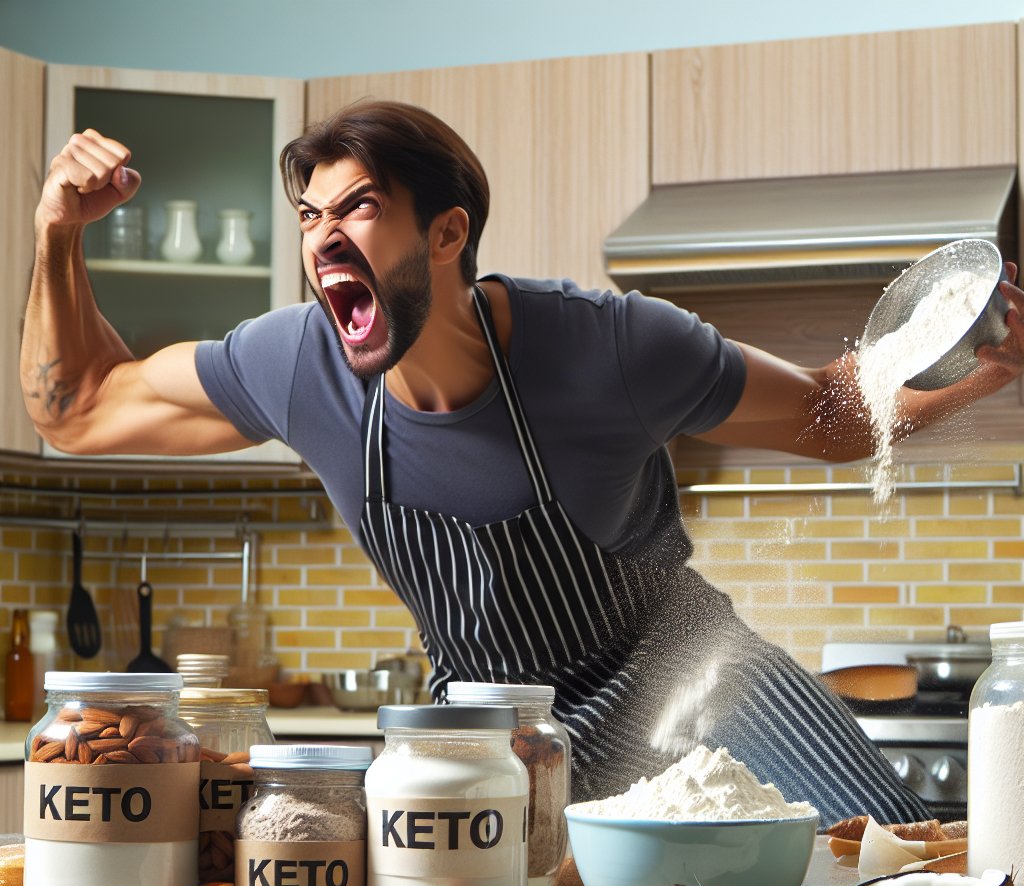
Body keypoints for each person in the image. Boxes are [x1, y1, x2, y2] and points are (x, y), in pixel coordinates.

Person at [22, 101, 1024, 826]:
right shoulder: (296, 365)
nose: (323, 236)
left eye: (357, 208)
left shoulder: (611, 346)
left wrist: (981, 383)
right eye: (310, 218)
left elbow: (825, 414)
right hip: (494, 735)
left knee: (898, 866)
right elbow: (74, 409)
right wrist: (57, 237)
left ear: (448, 233)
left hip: (700, 681)